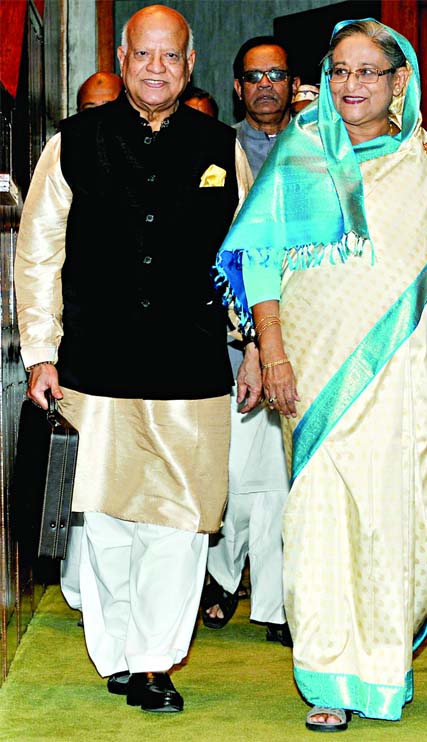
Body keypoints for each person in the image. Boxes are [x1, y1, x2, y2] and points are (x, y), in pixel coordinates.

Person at [215, 18, 427, 732]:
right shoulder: (297, 156)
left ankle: (382, 673)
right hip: (313, 373)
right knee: (320, 521)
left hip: (399, 377)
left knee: (390, 523)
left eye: (367, 71)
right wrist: (271, 353)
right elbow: (259, 262)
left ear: (397, 81)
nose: (351, 85)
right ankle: (328, 678)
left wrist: (425, 328)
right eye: (339, 71)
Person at [14, 4, 252, 715]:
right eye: (143, 55)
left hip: (192, 368)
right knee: (110, 519)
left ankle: (154, 662)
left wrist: (248, 348)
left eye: (171, 57)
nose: (157, 68)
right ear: (122, 58)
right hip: (95, 362)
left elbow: (243, 260)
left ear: (189, 64)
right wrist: (40, 352)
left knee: (182, 524)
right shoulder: (73, 143)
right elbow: (39, 253)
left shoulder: (220, 145)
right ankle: (117, 653)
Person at [201, 36, 299, 646]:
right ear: (238, 87)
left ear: (293, 84)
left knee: (285, 479)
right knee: (238, 474)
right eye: (254, 77)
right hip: (230, 341)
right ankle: (222, 577)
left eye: (277, 75)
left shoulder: (319, 147)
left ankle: (279, 598)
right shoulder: (214, 149)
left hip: (305, 335)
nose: (266, 85)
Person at [61, 70, 127, 623]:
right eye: (90, 109)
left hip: (160, 363)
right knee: (89, 491)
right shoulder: (66, 157)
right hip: (80, 350)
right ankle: (91, 602)